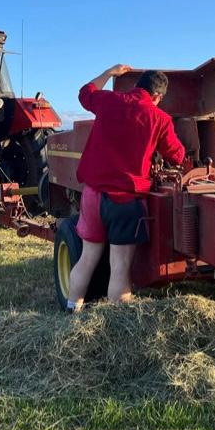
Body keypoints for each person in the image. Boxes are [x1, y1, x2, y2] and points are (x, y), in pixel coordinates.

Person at [67, 64, 186, 312]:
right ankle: (116, 322)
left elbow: (85, 92)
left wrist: (108, 73)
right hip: (125, 200)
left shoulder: (109, 101)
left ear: (137, 86)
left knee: (87, 258)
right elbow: (176, 155)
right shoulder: (159, 118)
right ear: (157, 96)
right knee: (120, 266)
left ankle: (72, 309)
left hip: (92, 195)